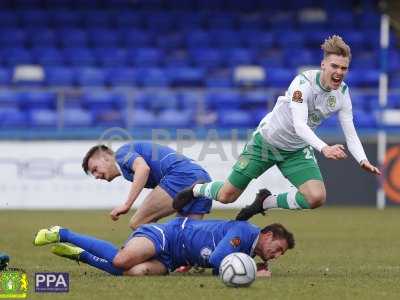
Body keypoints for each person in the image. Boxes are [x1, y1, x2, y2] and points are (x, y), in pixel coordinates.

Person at [173, 35, 381, 220]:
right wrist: (324, 148)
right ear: (323, 65)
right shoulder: (302, 84)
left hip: (296, 150)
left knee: (316, 197)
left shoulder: (342, 93)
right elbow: (299, 124)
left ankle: (264, 202)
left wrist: (362, 159)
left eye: (343, 68)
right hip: (267, 143)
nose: (339, 72)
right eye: (334, 66)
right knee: (227, 195)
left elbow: (350, 131)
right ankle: (197, 189)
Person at [33, 218, 294, 276]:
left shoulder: (249, 251)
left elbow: (219, 273)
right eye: (278, 247)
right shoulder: (245, 232)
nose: (277, 255)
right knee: (122, 261)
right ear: (267, 234)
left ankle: (80, 255)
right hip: (167, 235)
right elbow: (216, 261)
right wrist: (252, 272)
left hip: (172, 259)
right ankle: (62, 233)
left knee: (130, 273)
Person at [82, 142, 212, 230]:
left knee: (138, 223)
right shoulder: (127, 172)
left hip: (181, 176)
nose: (96, 176)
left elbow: (143, 169)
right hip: (201, 177)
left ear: (106, 157)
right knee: (184, 232)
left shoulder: (120, 154)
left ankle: (158, 256)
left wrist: (127, 205)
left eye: (95, 169)